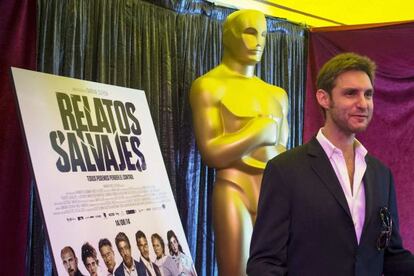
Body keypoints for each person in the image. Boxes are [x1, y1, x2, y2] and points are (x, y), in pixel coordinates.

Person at [247, 52, 414, 275]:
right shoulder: (285, 170)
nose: (363, 103)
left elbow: (392, 257)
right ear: (324, 98)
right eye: (351, 93)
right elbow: (264, 264)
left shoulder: (381, 174)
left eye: (368, 94)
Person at [189, 9, 288, 275]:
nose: (259, 42)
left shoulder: (276, 94)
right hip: (234, 188)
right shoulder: (209, 86)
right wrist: (256, 133)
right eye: (250, 32)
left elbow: (284, 153)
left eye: (264, 35)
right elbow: (211, 153)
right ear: (228, 36)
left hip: (274, 193)